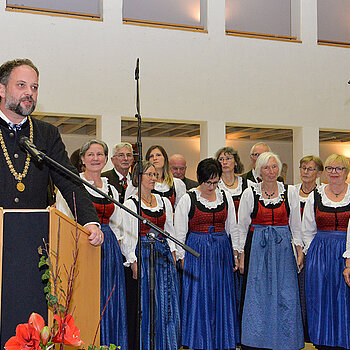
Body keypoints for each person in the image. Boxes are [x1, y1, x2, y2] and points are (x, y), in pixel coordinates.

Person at [0, 58, 103, 348]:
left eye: (34, 87)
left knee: (30, 321)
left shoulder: (46, 134)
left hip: (36, 246)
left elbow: (69, 181)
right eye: (21, 85)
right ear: (1, 88)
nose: (29, 93)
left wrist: (89, 221)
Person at [56, 140, 128, 348]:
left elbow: (119, 224)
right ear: (82, 160)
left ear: (106, 159)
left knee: (108, 298)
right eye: (90, 154)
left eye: (100, 154)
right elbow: (62, 219)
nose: (95, 158)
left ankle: (109, 342)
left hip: (109, 248)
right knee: (86, 298)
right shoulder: (71, 185)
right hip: (83, 245)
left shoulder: (111, 189)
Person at [238, 152, 304, 350]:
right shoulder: (250, 193)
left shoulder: (290, 192)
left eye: (274, 167)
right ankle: (257, 340)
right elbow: (242, 228)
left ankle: (286, 340)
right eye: (266, 168)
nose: (271, 171)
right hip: (258, 249)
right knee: (258, 295)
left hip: (283, 249)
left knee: (286, 295)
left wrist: (299, 251)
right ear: (259, 171)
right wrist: (240, 256)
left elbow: (297, 226)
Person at [174, 158, 240, 350]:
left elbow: (232, 227)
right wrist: (182, 257)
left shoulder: (225, 197)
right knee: (199, 296)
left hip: (221, 251)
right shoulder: (189, 199)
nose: (211, 186)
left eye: (215, 182)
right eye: (207, 182)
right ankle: (198, 340)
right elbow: (179, 231)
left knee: (222, 295)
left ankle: (222, 339)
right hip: (197, 251)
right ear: (199, 180)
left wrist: (235, 252)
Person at [120, 160, 181, 350]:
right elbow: (128, 235)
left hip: (162, 255)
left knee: (167, 301)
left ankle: (167, 344)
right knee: (148, 303)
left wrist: (173, 254)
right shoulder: (131, 203)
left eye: (155, 175)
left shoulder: (163, 201)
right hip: (144, 254)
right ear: (139, 178)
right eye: (149, 174)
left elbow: (169, 230)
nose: (153, 178)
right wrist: (133, 262)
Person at [302, 154, 350, 350]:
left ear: (346, 172)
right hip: (320, 252)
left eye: (339, 169)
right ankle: (322, 342)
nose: (334, 172)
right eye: (330, 168)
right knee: (320, 299)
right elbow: (307, 228)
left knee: (343, 300)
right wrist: (311, 253)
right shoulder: (316, 195)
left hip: (346, 251)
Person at [294, 155, 323, 343]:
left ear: (319, 173)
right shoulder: (292, 192)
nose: (305, 172)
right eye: (303, 168)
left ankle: (308, 331)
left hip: (313, 248)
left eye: (310, 169)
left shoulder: (322, 194)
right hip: (292, 245)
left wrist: (306, 250)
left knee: (307, 291)